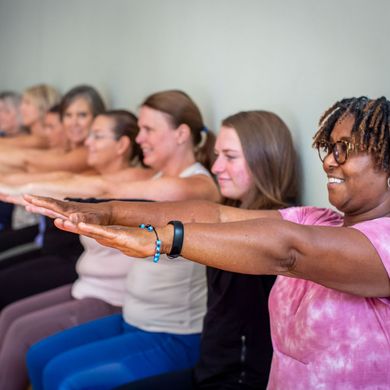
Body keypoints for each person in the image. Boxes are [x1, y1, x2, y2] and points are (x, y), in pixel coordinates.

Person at [26, 96, 390, 389]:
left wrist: (162, 240)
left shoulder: (383, 241)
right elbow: (215, 215)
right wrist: (108, 212)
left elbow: (289, 250)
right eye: (328, 147)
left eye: (345, 148)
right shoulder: (318, 219)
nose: (328, 161)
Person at [19, 89, 219, 390]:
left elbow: (103, 185)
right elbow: (92, 183)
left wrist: (41, 191)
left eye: (148, 129)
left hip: (172, 334)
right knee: (39, 357)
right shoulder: (154, 178)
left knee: (69, 382)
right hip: (133, 318)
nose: (139, 139)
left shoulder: (196, 186)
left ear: (181, 134)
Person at [0, 109, 151, 390]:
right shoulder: (100, 175)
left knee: (23, 334)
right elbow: (64, 178)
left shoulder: (140, 183)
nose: (88, 141)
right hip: (87, 284)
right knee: (11, 317)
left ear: (122, 145)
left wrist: (26, 188)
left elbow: (94, 186)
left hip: (109, 295)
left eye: (97, 135)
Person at [0, 84, 61, 152]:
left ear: (43, 106)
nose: (21, 108)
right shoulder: (27, 137)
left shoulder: (44, 140)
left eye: (27, 103)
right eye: (22, 103)